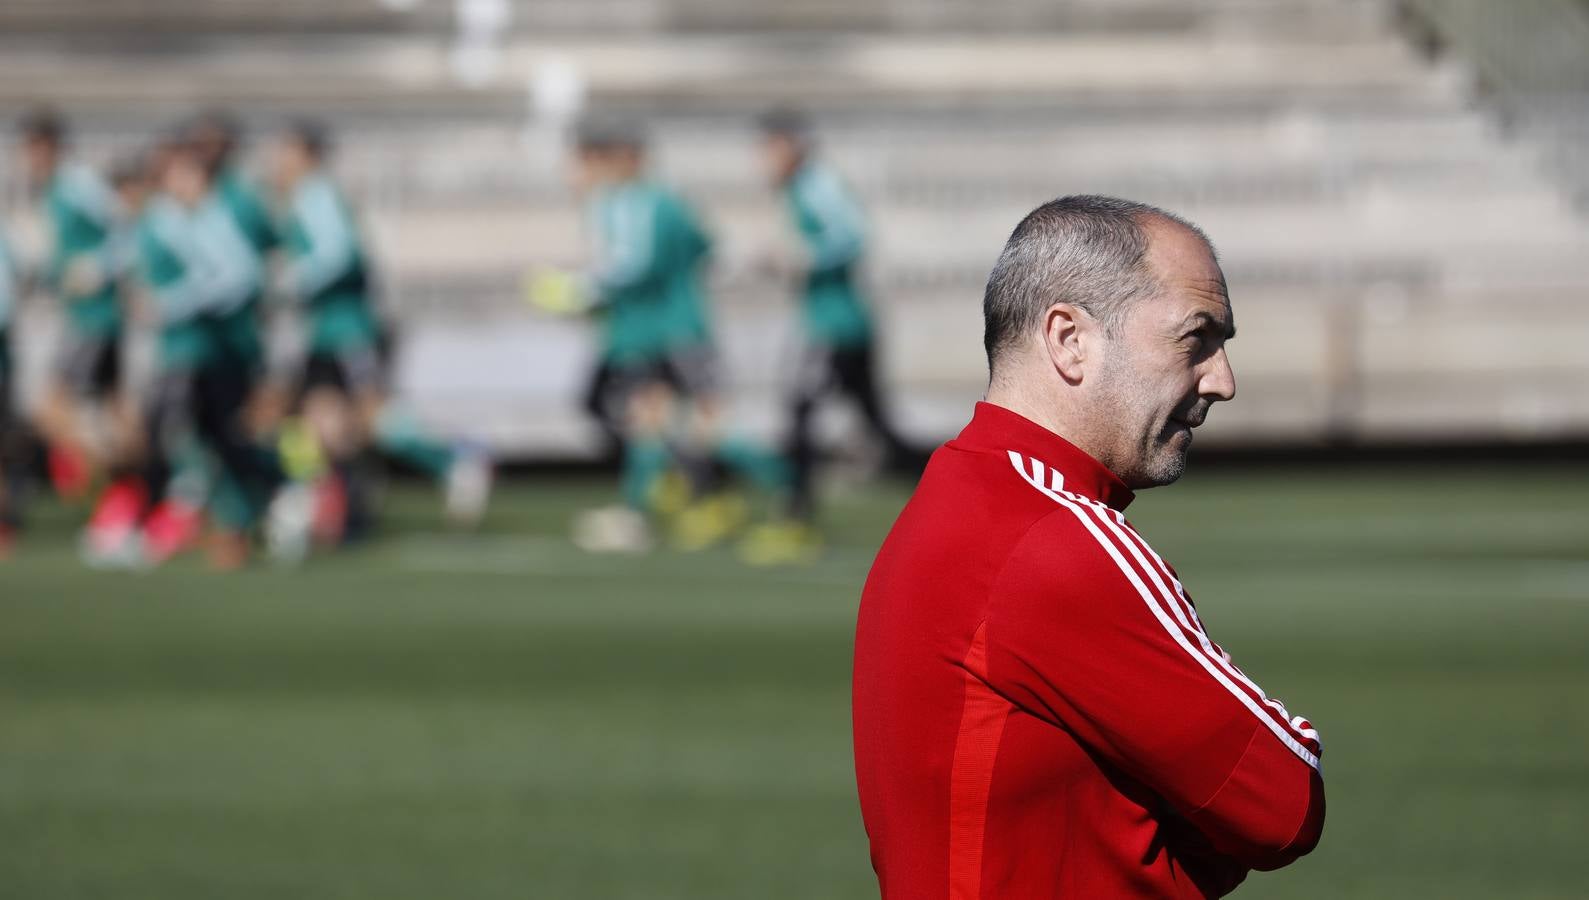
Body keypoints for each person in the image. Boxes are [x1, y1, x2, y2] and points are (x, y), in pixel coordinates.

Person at [853, 196, 1324, 898]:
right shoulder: (1052, 536)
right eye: (1195, 339)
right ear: (1070, 339)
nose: (1221, 380)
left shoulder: (956, 496)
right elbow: (1284, 803)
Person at [269, 118, 490, 541]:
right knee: (318, 419)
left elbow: (338, 254)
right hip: (325, 330)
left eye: (286, 151)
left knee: (371, 416)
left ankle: (453, 463)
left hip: (347, 328)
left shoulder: (317, 195)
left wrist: (289, 282)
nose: (278, 161)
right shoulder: (303, 197)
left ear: (307, 155)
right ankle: (326, 499)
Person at [756, 109, 918, 541]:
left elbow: (852, 235)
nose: (764, 157)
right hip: (841, 324)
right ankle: (952, 496)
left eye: (771, 145)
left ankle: (794, 520)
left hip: (832, 326)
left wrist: (803, 257)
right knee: (876, 426)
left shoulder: (814, 183)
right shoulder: (800, 187)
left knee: (798, 415)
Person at [16, 107, 136, 500]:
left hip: (96, 316)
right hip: (79, 314)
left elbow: (127, 232)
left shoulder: (77, 183)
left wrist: (98, 268)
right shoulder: (48, 189)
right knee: (111, 410)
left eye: (39, 146)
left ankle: (118, 478)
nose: (33, 156)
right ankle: (128, 492)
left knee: (52, 404)